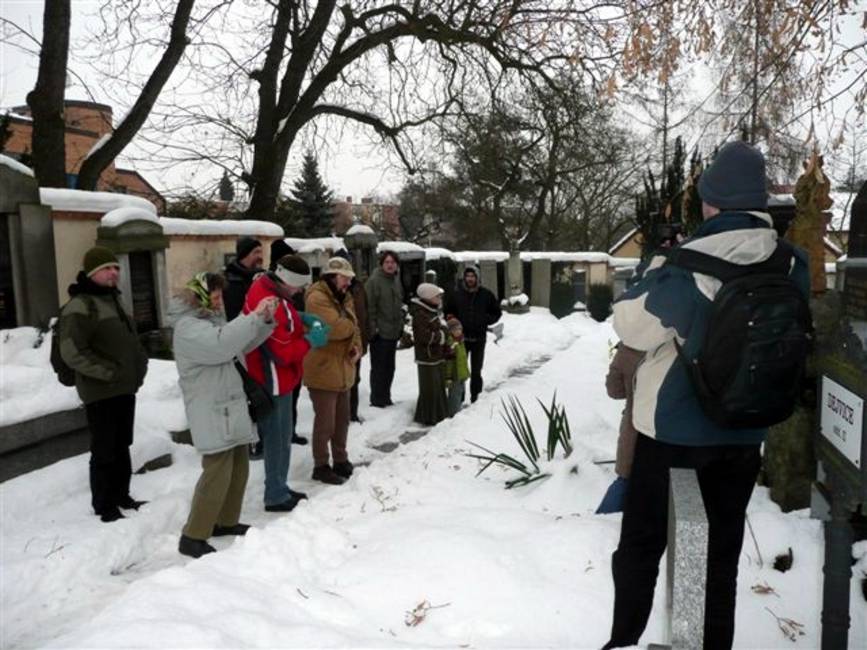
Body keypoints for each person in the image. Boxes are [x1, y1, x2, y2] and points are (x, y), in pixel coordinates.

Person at [603, 141, 810, 650]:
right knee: (719, 557)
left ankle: (624, 640)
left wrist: (653, 271)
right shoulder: (791, 263)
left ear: (712, 202)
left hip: (673, 430)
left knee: (642, 544)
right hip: (745, 430)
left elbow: (631, 324)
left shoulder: (689, 262)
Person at [171, 272, 277, 558]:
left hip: (228, 404)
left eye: (220, 297)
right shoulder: (188, 327)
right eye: (215, 297)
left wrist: (263, 320)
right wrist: (252, 316)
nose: (219, 302)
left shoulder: (210, 323)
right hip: (210, 408)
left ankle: (225, 521)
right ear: (199, 297)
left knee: (238, 466)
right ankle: (193, 535)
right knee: (217, 471)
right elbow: (221, 345)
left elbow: (238, 344)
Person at [58, 246, 148, 523]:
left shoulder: (113, 300)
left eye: (116, 268)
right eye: (107, 269)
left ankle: (122, 494)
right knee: (105, 449)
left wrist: (139, 367)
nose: (114, 273)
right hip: (101, 391)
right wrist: (107, 373)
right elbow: (72, 351)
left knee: (122, 444)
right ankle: (104, 504)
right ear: (92, 273)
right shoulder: (81, 305)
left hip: (123, 388)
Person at [244, 255, 322, 511]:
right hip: (271, 378)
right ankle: (275, 495)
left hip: (280, 377)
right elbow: (282, 351)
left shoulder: (273, 290)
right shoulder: (266, 299)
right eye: (298, 286)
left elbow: (286, 317)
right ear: (287, 280)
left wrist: (301, 318)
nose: (299, 291)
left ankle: (279, 486)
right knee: (277, 438)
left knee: (282, 435)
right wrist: (311, 340)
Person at [303, 257, 362, 485]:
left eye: (349, 279)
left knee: (342, 420)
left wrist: (357, 346)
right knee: (325, 422)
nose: (347, 283)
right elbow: (334, 329)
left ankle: (340, 459)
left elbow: (352, 328)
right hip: (323, 369)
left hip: (342, 368)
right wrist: (350, 327)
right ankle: (321, 465)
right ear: (332, 276)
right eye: (344, 278)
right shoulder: (316, 298)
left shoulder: (343, 297)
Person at [595, 342, 642, 514]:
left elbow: (614, 391)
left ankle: (599, 523)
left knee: (625, 478)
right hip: (670, 431)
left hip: (634, 428)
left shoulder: (628, 348)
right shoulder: (673, 343)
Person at [444, 265, 501, 403]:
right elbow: (448, 312)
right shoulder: (457, 294)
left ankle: (476, 397)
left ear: (477, 278)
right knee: (460, 370)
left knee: (476, 371)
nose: (470, 279)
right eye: (468, 276)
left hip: (479, 339)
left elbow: (497, 312)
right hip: (461, 339)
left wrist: (485, 320)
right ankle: (460, 397)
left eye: (472, 276)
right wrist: (454, 323)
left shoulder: (486, 294)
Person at [365, 251, 404, 407]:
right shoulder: (374, 281)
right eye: (387, 262)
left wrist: (400, 325)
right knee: (379, 368)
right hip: (380, 333)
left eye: (393, 262)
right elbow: (370, 308)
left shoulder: (395, 280)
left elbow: (399, 304)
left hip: (393, 331)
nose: (390, 265)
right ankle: (377, 399)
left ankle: (386, 396)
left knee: (390, 367)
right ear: (381, 264)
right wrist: (374, 329)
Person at [411, 283, 450, 426]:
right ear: (428, 297)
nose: (440, 298)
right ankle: (428, 416)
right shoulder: (421, 314)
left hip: (435, 355)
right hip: (427, 357)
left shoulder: (431, 311)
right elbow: (423, 337)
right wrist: (441, 335)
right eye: (437, 296)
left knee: (438, 385)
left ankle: (439, 414)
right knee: (430, 387)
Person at [223, 237, 263, 321]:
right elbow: (233, 316)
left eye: (260, 252)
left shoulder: (262, 276)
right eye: (256, 252)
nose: (260, 256)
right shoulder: (232, 281)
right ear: (244, 255)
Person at [444, 317, 470, 417]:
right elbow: (449, 362)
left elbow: (463, 359)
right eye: (455, 330)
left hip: (461, 373)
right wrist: (448, 377)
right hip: (454, 374)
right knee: (454, 395)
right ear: (450, 331)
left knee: (460, 392)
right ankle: (453, 413)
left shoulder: (460, 341)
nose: (458, 331)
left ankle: (458, 408)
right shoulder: (451, 344)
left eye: (459, 329)